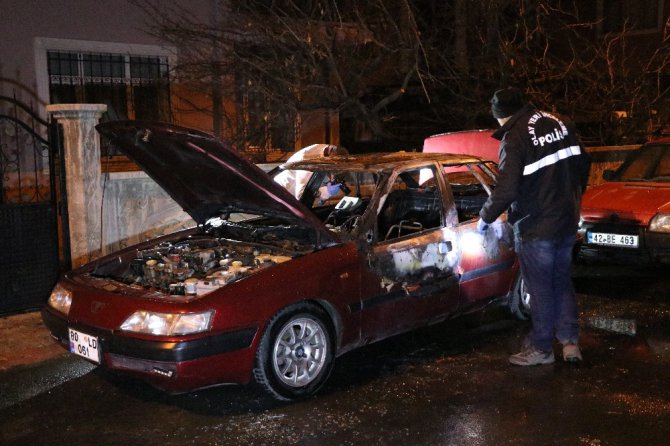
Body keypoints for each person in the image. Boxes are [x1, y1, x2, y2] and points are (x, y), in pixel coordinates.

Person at [477, 87, 591, 366]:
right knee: (560, 281)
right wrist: (572, 199)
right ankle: (570, 343)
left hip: (537, 225)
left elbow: (506, 188)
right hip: (565, 219)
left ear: (502, 116)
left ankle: (541, 349)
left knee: (539, 287)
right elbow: (584, 164)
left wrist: (484, 218)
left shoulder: (514, 137)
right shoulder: (559, 122)